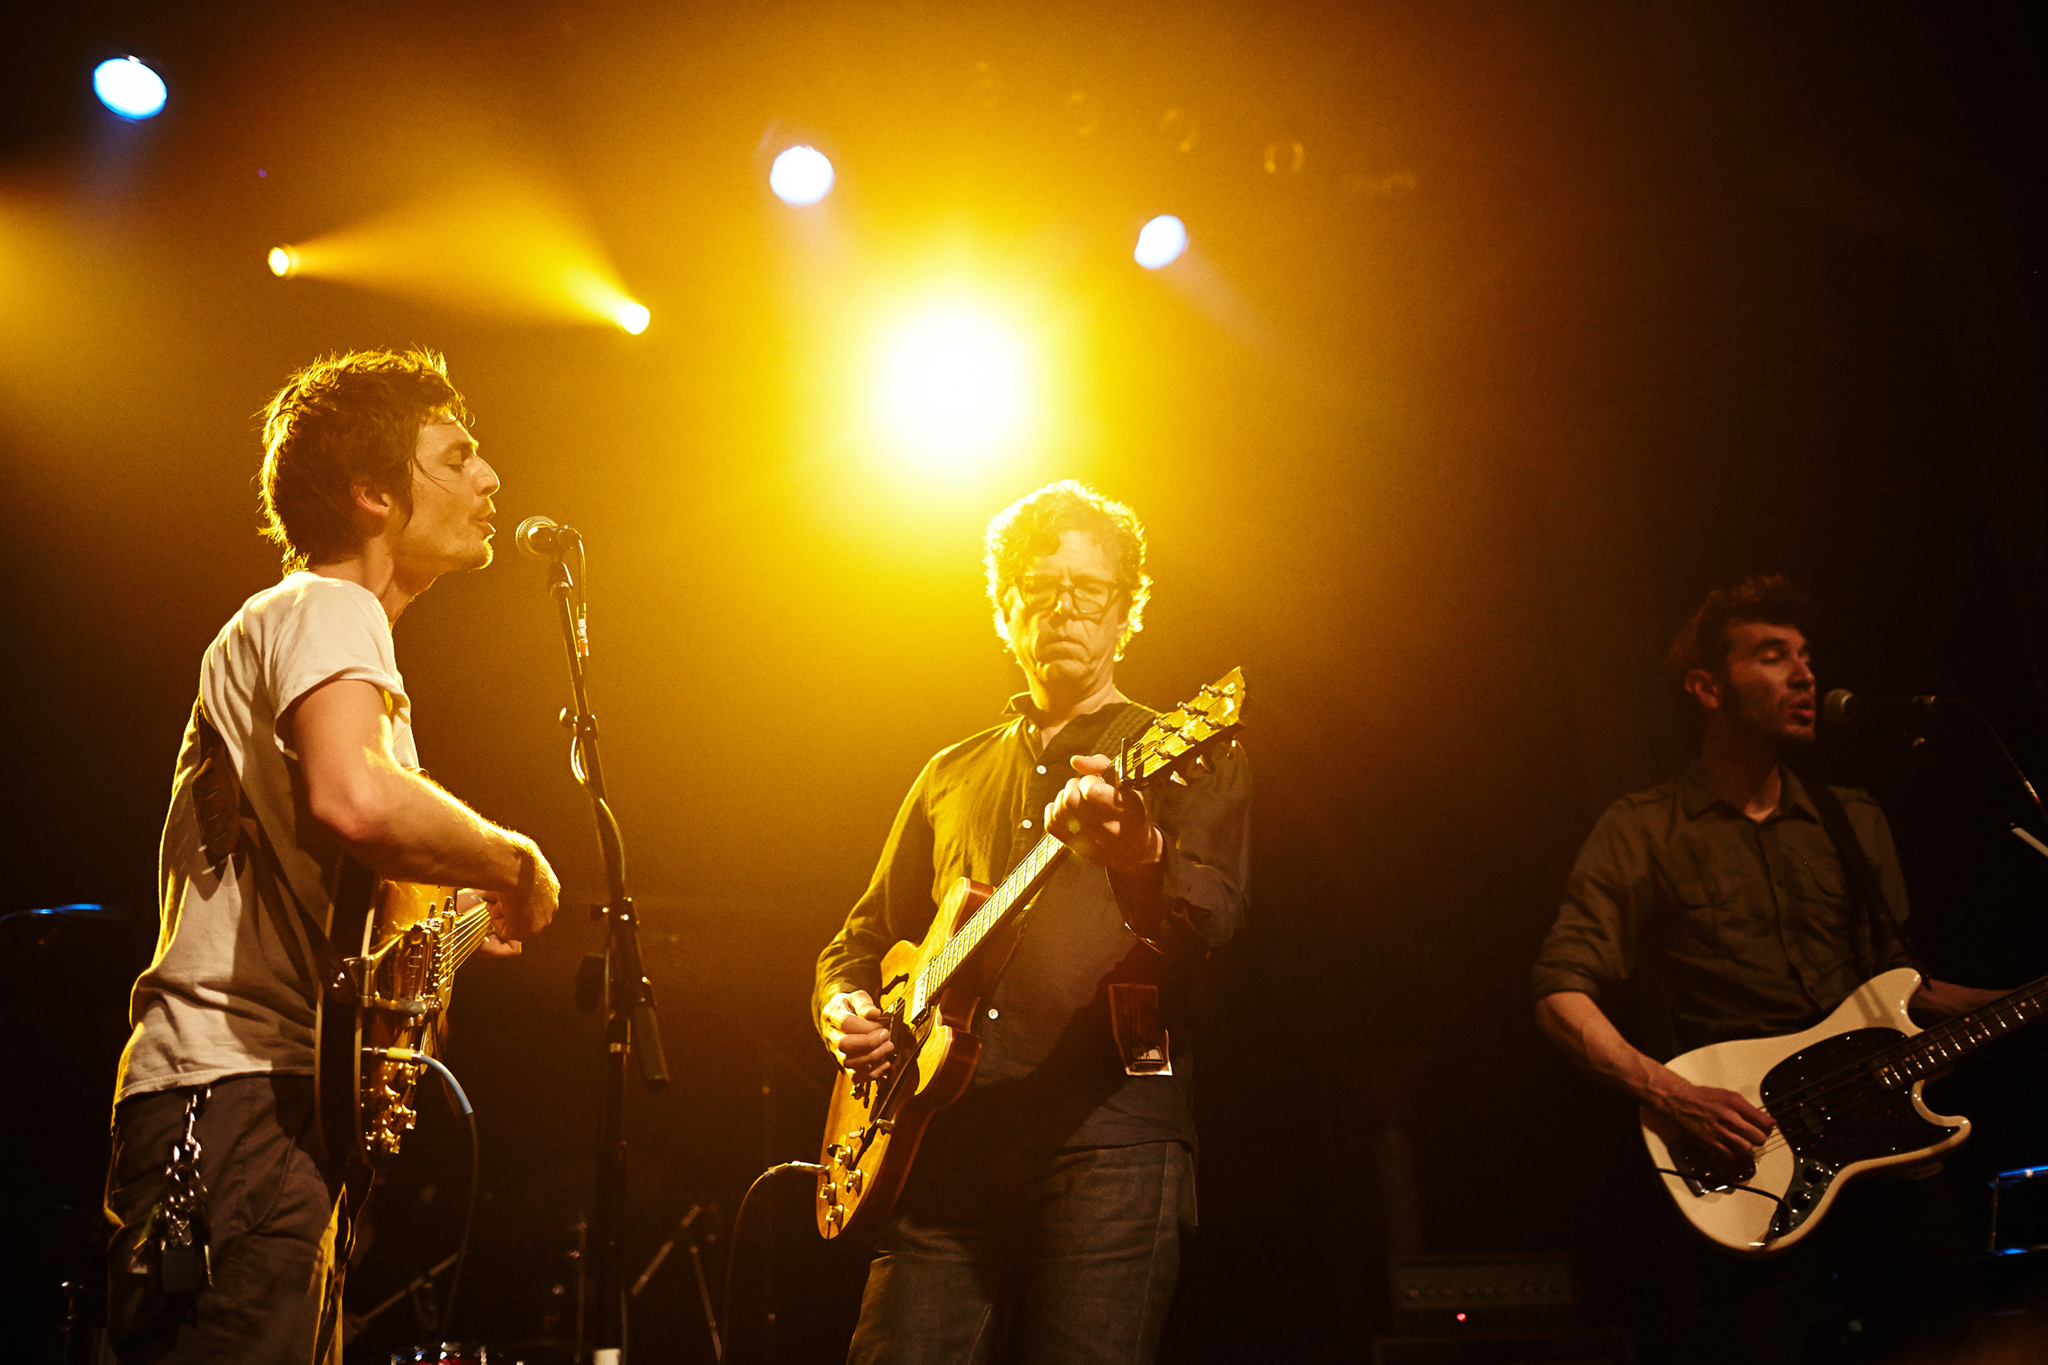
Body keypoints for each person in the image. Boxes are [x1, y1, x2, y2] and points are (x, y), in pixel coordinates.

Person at [103, 349, 561, 1364]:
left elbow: (347, 872)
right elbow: (352, 798)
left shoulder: (314, 633)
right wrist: (513, 863)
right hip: (238, 1105)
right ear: (369, 491)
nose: (489, 481)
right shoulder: (326, 607)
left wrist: (437, 932)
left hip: (252, 1114)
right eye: (457, 456)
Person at [814, 480, 1250, 1364]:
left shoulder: (1181, 750)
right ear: (1005, 610)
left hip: (1110, 1141)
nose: (1063, 608)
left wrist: (1137, 855)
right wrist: (844, 1011)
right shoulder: (949, 773)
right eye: (1038, 588)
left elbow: (1212, 924)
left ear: (1124, 611)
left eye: (1088, 590)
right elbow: (857, 942)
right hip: (941, 1150)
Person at [1531, 573, 2005, 1364]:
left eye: (1807, 655)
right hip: (1747, 1150)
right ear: (1707, 687)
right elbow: (1559, 989)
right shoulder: (1645, 826)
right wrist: (1675, 1095)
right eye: (1773, 655)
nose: (1805, 674)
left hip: (1889, 1142)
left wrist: (2019, 1000)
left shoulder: (1853, 818)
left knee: (1955, 1342)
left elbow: (1903, 987)